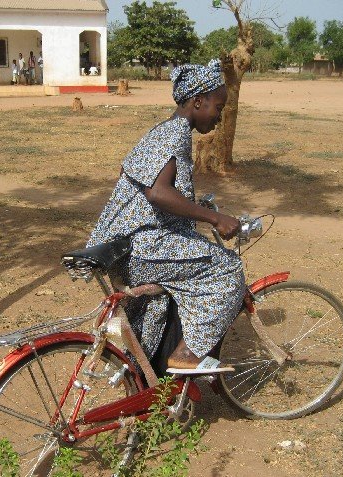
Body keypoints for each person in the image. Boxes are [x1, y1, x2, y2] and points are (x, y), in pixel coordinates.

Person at [86, 59, 244, 374]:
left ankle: (148, 385)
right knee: (228, 268)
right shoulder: (176, 135)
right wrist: (214, 219)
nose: (219, 115)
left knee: (159, 306)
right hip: (144, 247)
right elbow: (157, 192)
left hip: (128, 244)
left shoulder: (162, 131)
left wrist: (193, 209)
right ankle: (189, 353)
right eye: (217, 106)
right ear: (198, 101)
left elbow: (133, 178)